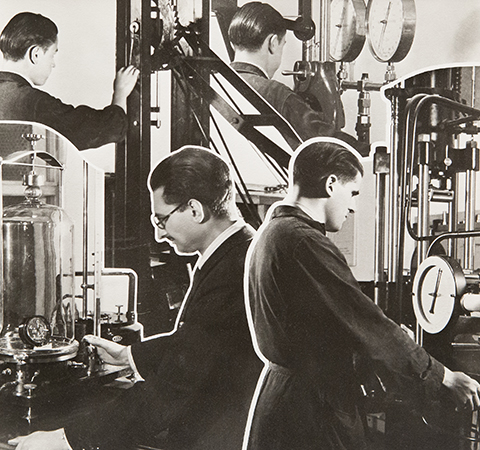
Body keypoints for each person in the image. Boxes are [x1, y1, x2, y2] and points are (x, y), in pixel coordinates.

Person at [9, 146, 262, 450]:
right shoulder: (240, 249)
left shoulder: (231, 270)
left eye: (161, 220)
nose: (159, 235)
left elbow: (175, 389)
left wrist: (66, 440)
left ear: (195, 210)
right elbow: (202, 343)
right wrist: (130, 356)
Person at [243, 137, 480, 450]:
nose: (353, 206)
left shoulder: (273, 233)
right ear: (330, 184)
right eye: (353, 192)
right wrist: (442, 377)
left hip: (286, 399)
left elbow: (326, 325)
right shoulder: (304, 242)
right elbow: (366, 322)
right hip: (312, 412)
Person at [0, 12, 139, 150]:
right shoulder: (34, 102)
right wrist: (120, 94)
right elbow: (99, 128)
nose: (53, 64)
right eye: (52, 54)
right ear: (35, 54)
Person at [228, 2, 335, 151]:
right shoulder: (277, 94)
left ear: (232, 43)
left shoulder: (212, 82)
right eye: (282, 45)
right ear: (272, 43)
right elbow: (331, 144)